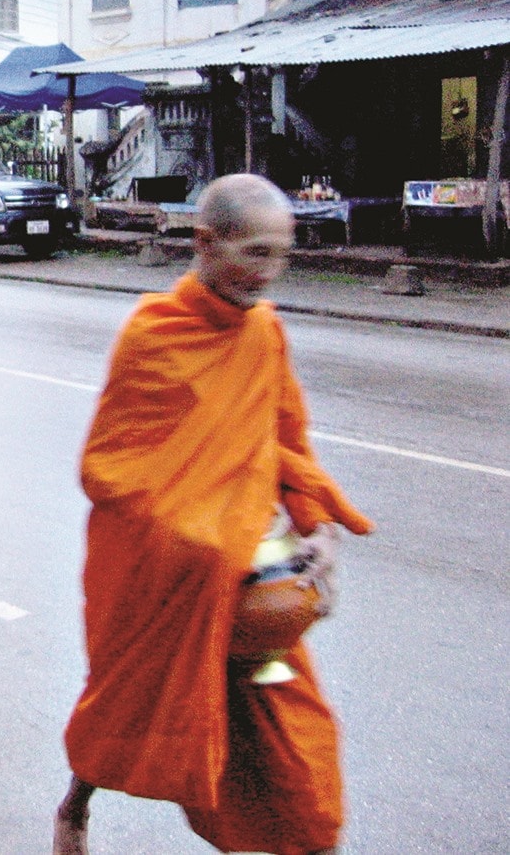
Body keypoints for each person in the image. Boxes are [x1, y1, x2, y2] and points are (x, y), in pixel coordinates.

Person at [52, 174, 374, 855]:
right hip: (169, 585)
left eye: (281, 254)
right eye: (256, 252)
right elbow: (110, 469)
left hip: (257, 599)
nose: (270, 272)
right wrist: (209, 536)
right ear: (205, 242)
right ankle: (76, 804)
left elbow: (288, 439)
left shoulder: (264, 332)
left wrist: (314, 526)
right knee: (124, 707)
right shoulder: (154, 335)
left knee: (299, 759)